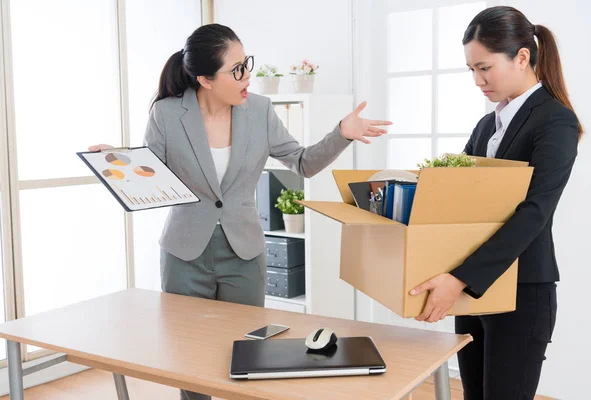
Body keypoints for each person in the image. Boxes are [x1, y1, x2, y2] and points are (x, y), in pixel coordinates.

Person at [90, 23, 390, 400]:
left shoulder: (260, 110)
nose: (247, 76)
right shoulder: (167, 114)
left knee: (248, 355)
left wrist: (341, 133)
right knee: (189, 356)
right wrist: (118, 159)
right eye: (236, 70)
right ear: (205, 79)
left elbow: (302, 162)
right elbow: (156, 173)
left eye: (246, 63)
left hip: (243, 252)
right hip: (184, 253)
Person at [409, 6, 582, 400]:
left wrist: (459, 277)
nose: (477, 80)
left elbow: (534, 213)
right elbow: (460, 199)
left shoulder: (555, 120)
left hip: (520, 291)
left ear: (522, 57)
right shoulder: (488, 125)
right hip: (474, 289)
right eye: (471, 69)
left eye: (484, 68)